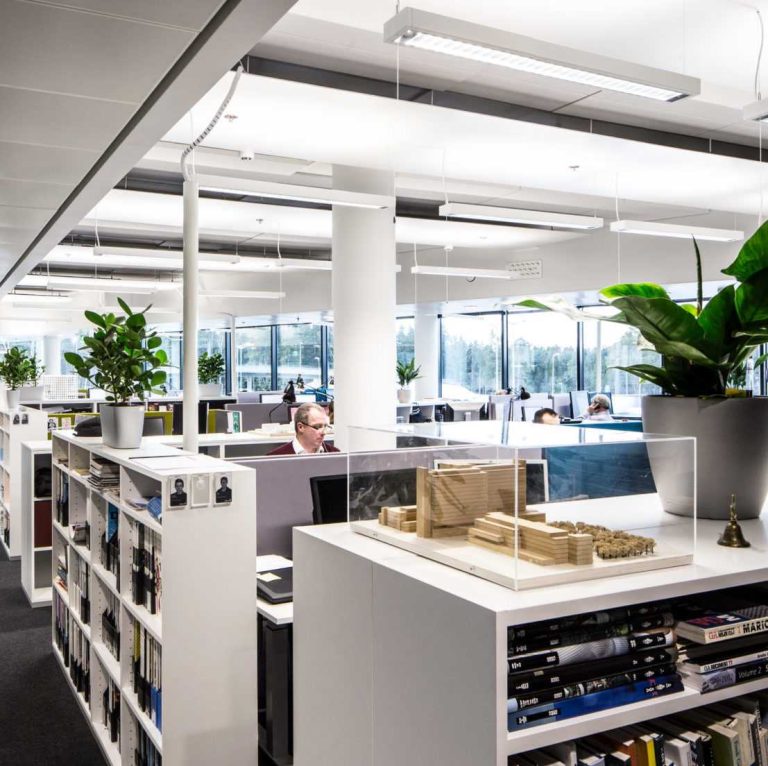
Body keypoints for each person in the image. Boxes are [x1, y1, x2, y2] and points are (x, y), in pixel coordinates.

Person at [268, 402, 340, 455]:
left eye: (325, 426)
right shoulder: (275, 458)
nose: (324, 432)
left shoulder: (335, 454)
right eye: (318, 427)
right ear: (300, 427)